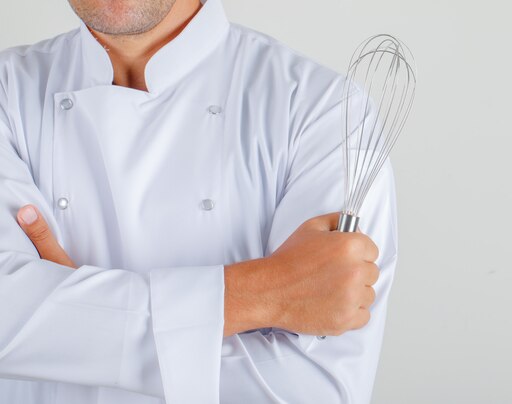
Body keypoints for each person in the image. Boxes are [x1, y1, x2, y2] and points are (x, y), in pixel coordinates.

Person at [0, 0, 398, 402]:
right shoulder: (6, 89)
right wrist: (259, 294)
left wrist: (62, 328)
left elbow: (309, 390)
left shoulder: (322, 112)